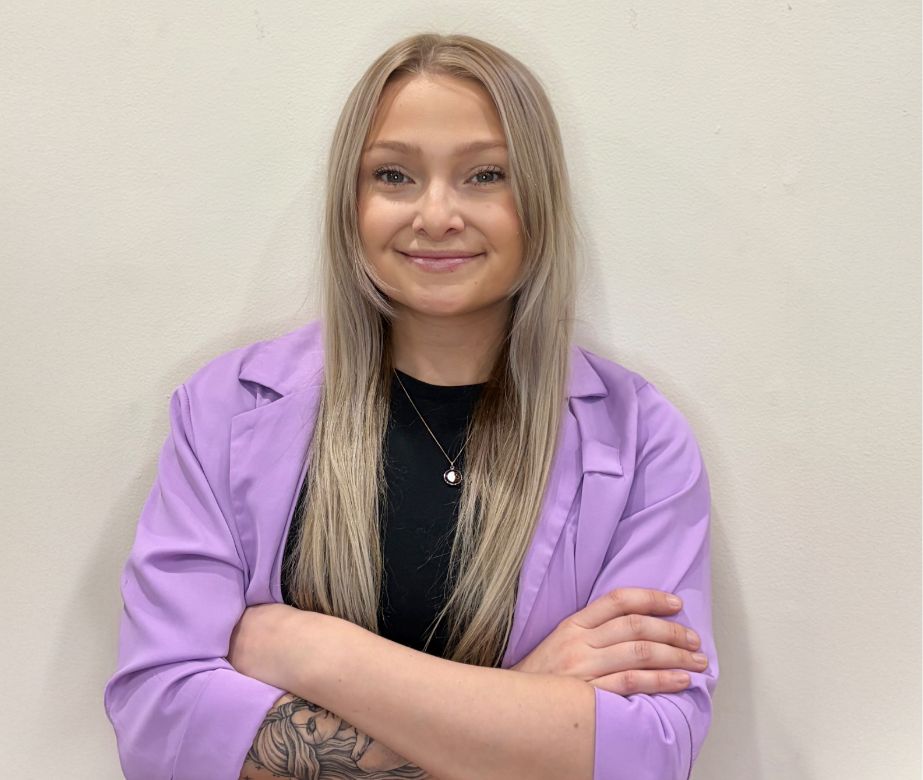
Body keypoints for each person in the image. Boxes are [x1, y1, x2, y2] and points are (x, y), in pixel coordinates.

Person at [103, 32, 718, 780]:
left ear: (539, 199)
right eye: (393, 175)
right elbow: (162, 731)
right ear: (350, 202)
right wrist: (525, 711)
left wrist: (312, 652)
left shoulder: (642, 440)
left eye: (484, 175)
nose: (435, 215)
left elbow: (648, 753)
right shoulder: (225, 412)